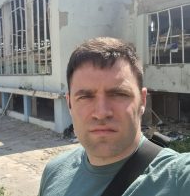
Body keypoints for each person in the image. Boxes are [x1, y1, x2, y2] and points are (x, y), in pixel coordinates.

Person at [38, 37, 190, 196]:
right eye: (85, 97)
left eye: (118, 94)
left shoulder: (179, 177)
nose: (101, 113)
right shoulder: (53, 172)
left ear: (142, 100)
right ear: (69, 104)